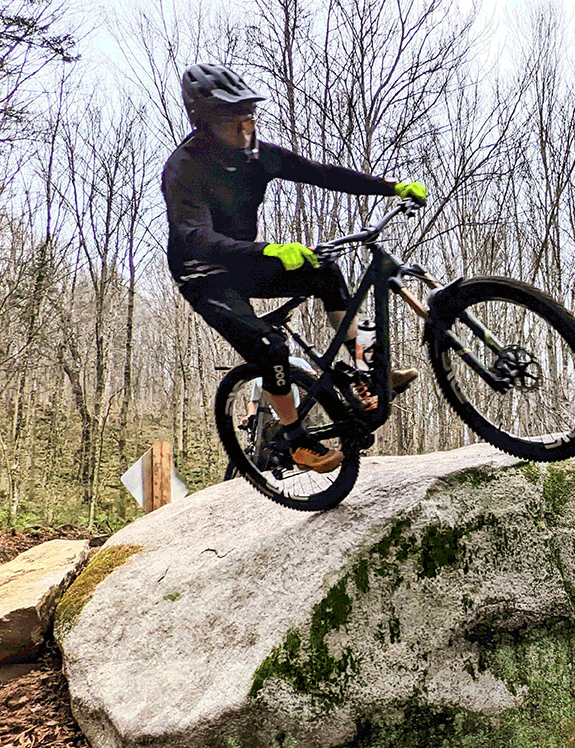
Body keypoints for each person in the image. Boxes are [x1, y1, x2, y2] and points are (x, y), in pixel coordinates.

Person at [162, 63, 426, 473]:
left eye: (250, 117)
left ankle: (364, 367)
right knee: (271, 350)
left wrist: (389, 187)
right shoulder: (185, 167)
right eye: (236, 121)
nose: (247, 128)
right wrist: (269, 250)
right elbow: (195, 236)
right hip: (203, 276)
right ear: (206, 123)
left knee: (324, 269)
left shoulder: (259, 156)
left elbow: (322, 174)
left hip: (247, 262)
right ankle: (295, 440)